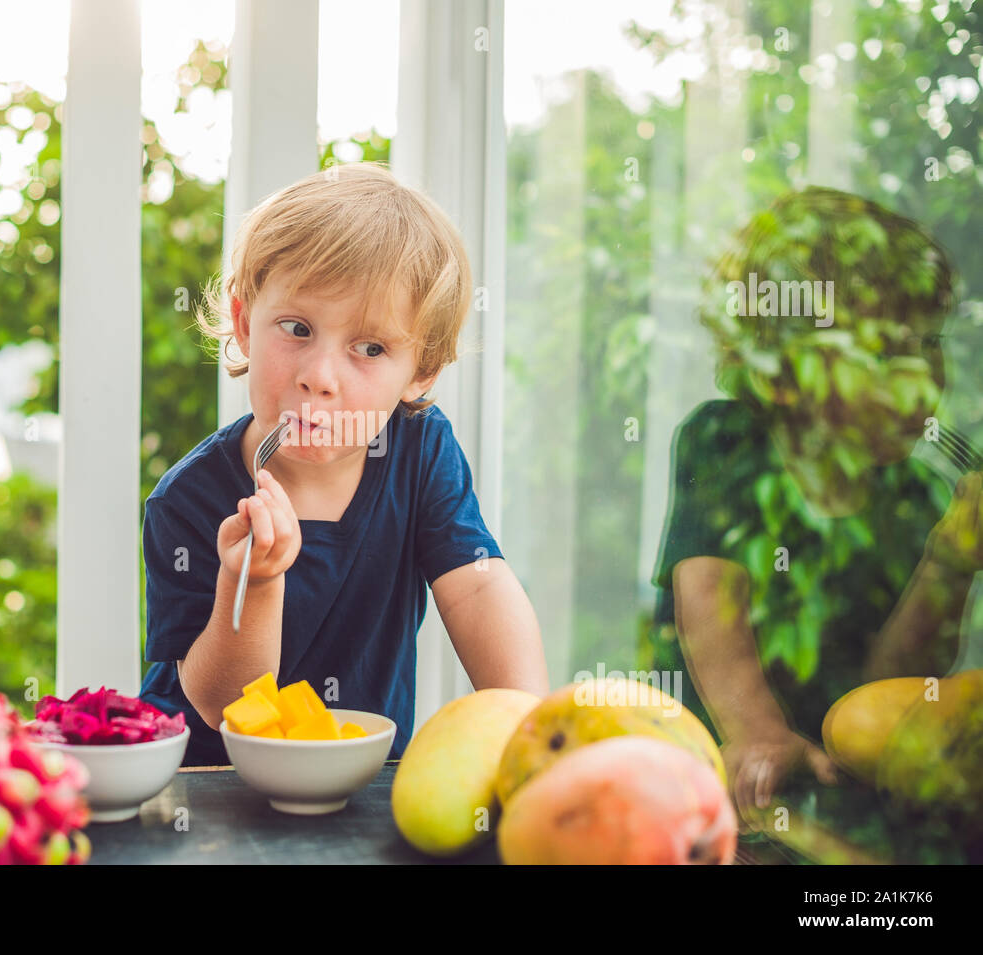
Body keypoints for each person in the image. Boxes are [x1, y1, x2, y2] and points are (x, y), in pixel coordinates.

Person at [139, 162, 550, 766]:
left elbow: (478, 589)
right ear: (246, 323)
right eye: (297, 328)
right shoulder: (191, 499)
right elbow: (221, 704)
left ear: (423, 370)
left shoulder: (418, 450)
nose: (320, 377)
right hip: (210, 792)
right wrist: (252, 581)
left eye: (371, 348)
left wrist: (538, 732)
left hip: (363, 787)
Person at [648, 186, 983, 821]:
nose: (926, 379)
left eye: (931, 343)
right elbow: (709, 600)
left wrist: (952, 561)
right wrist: (760, 731)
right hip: (710, 787)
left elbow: (888, 692)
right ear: (788, 365)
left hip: (841, 800)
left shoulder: (921, 495)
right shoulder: (724, 442)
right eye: (887, 352)